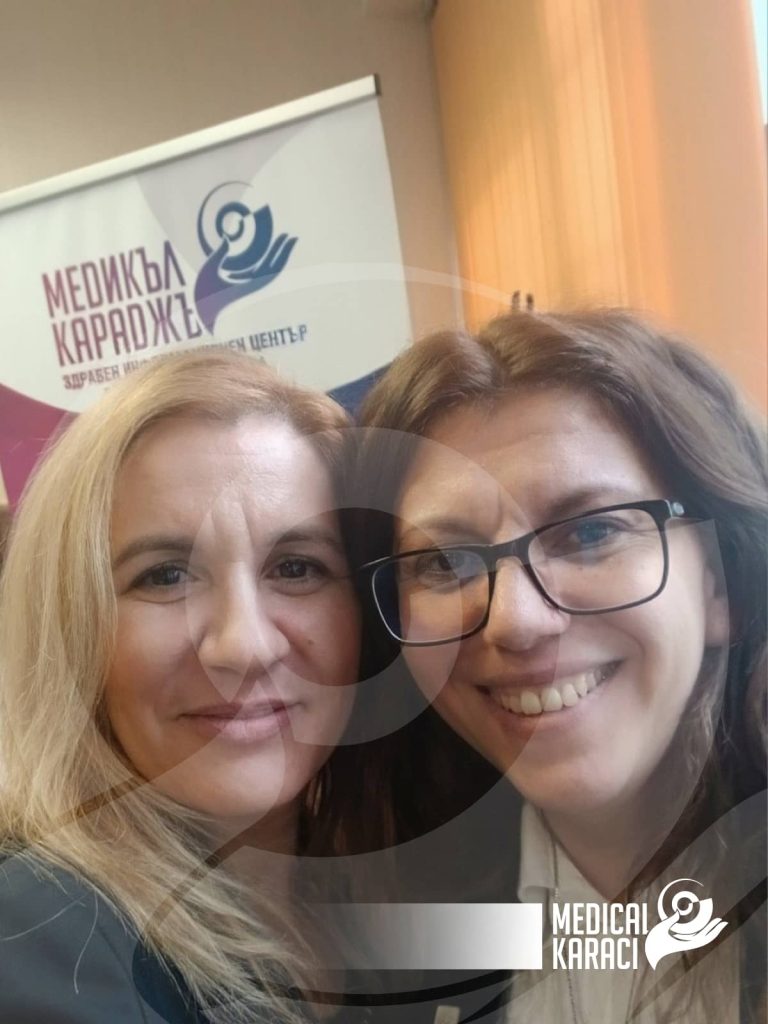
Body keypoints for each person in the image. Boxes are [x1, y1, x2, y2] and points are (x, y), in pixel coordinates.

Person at [344, 310, 766, 1023]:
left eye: (591, 532)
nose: (515, 620)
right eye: (444, 562)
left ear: (720, 581)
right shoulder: (406, 930)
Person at [0, 349, 362, 1024]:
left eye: (295, 567)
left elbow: (557, 950)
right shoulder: (39, 942)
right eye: (165, 576)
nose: (244, 646)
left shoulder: (366, 878)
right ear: (72, 631)